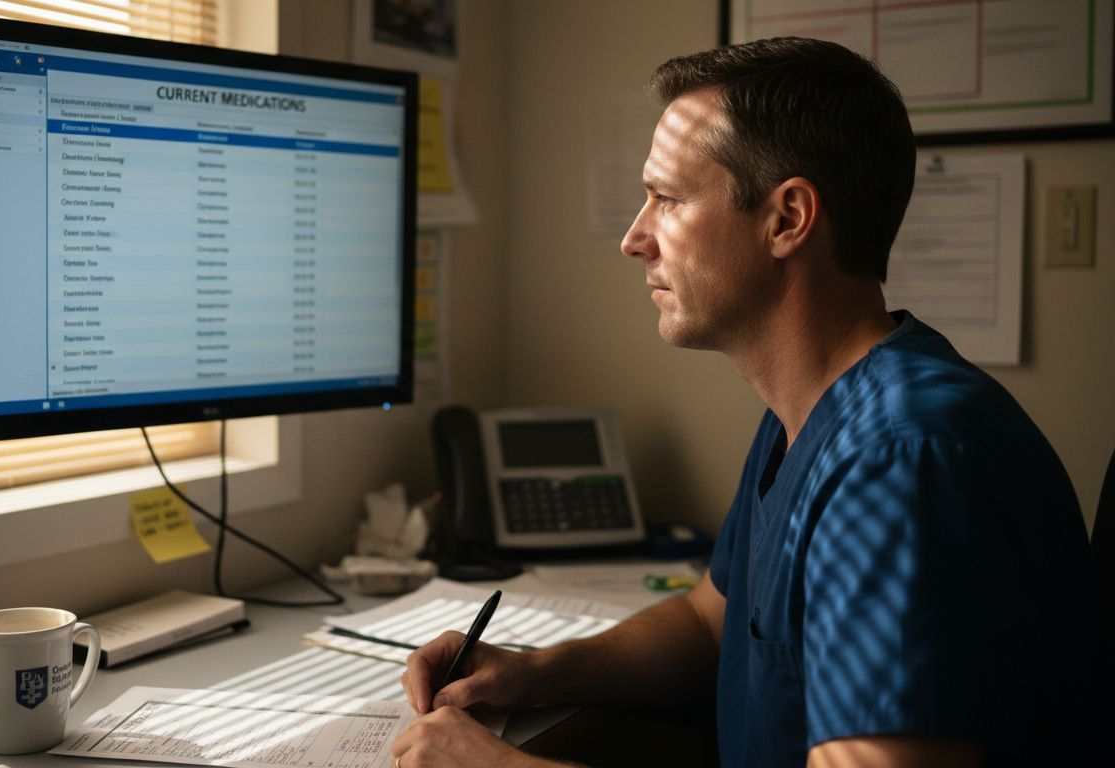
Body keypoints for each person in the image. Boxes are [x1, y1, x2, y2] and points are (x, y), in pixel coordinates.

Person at [390, 37, 1110, 768]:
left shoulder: (902, 462)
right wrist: (535, 671)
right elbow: (715, 622)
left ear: (787, 219)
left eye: (666, 198)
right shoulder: (805, 414)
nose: (635, 239)